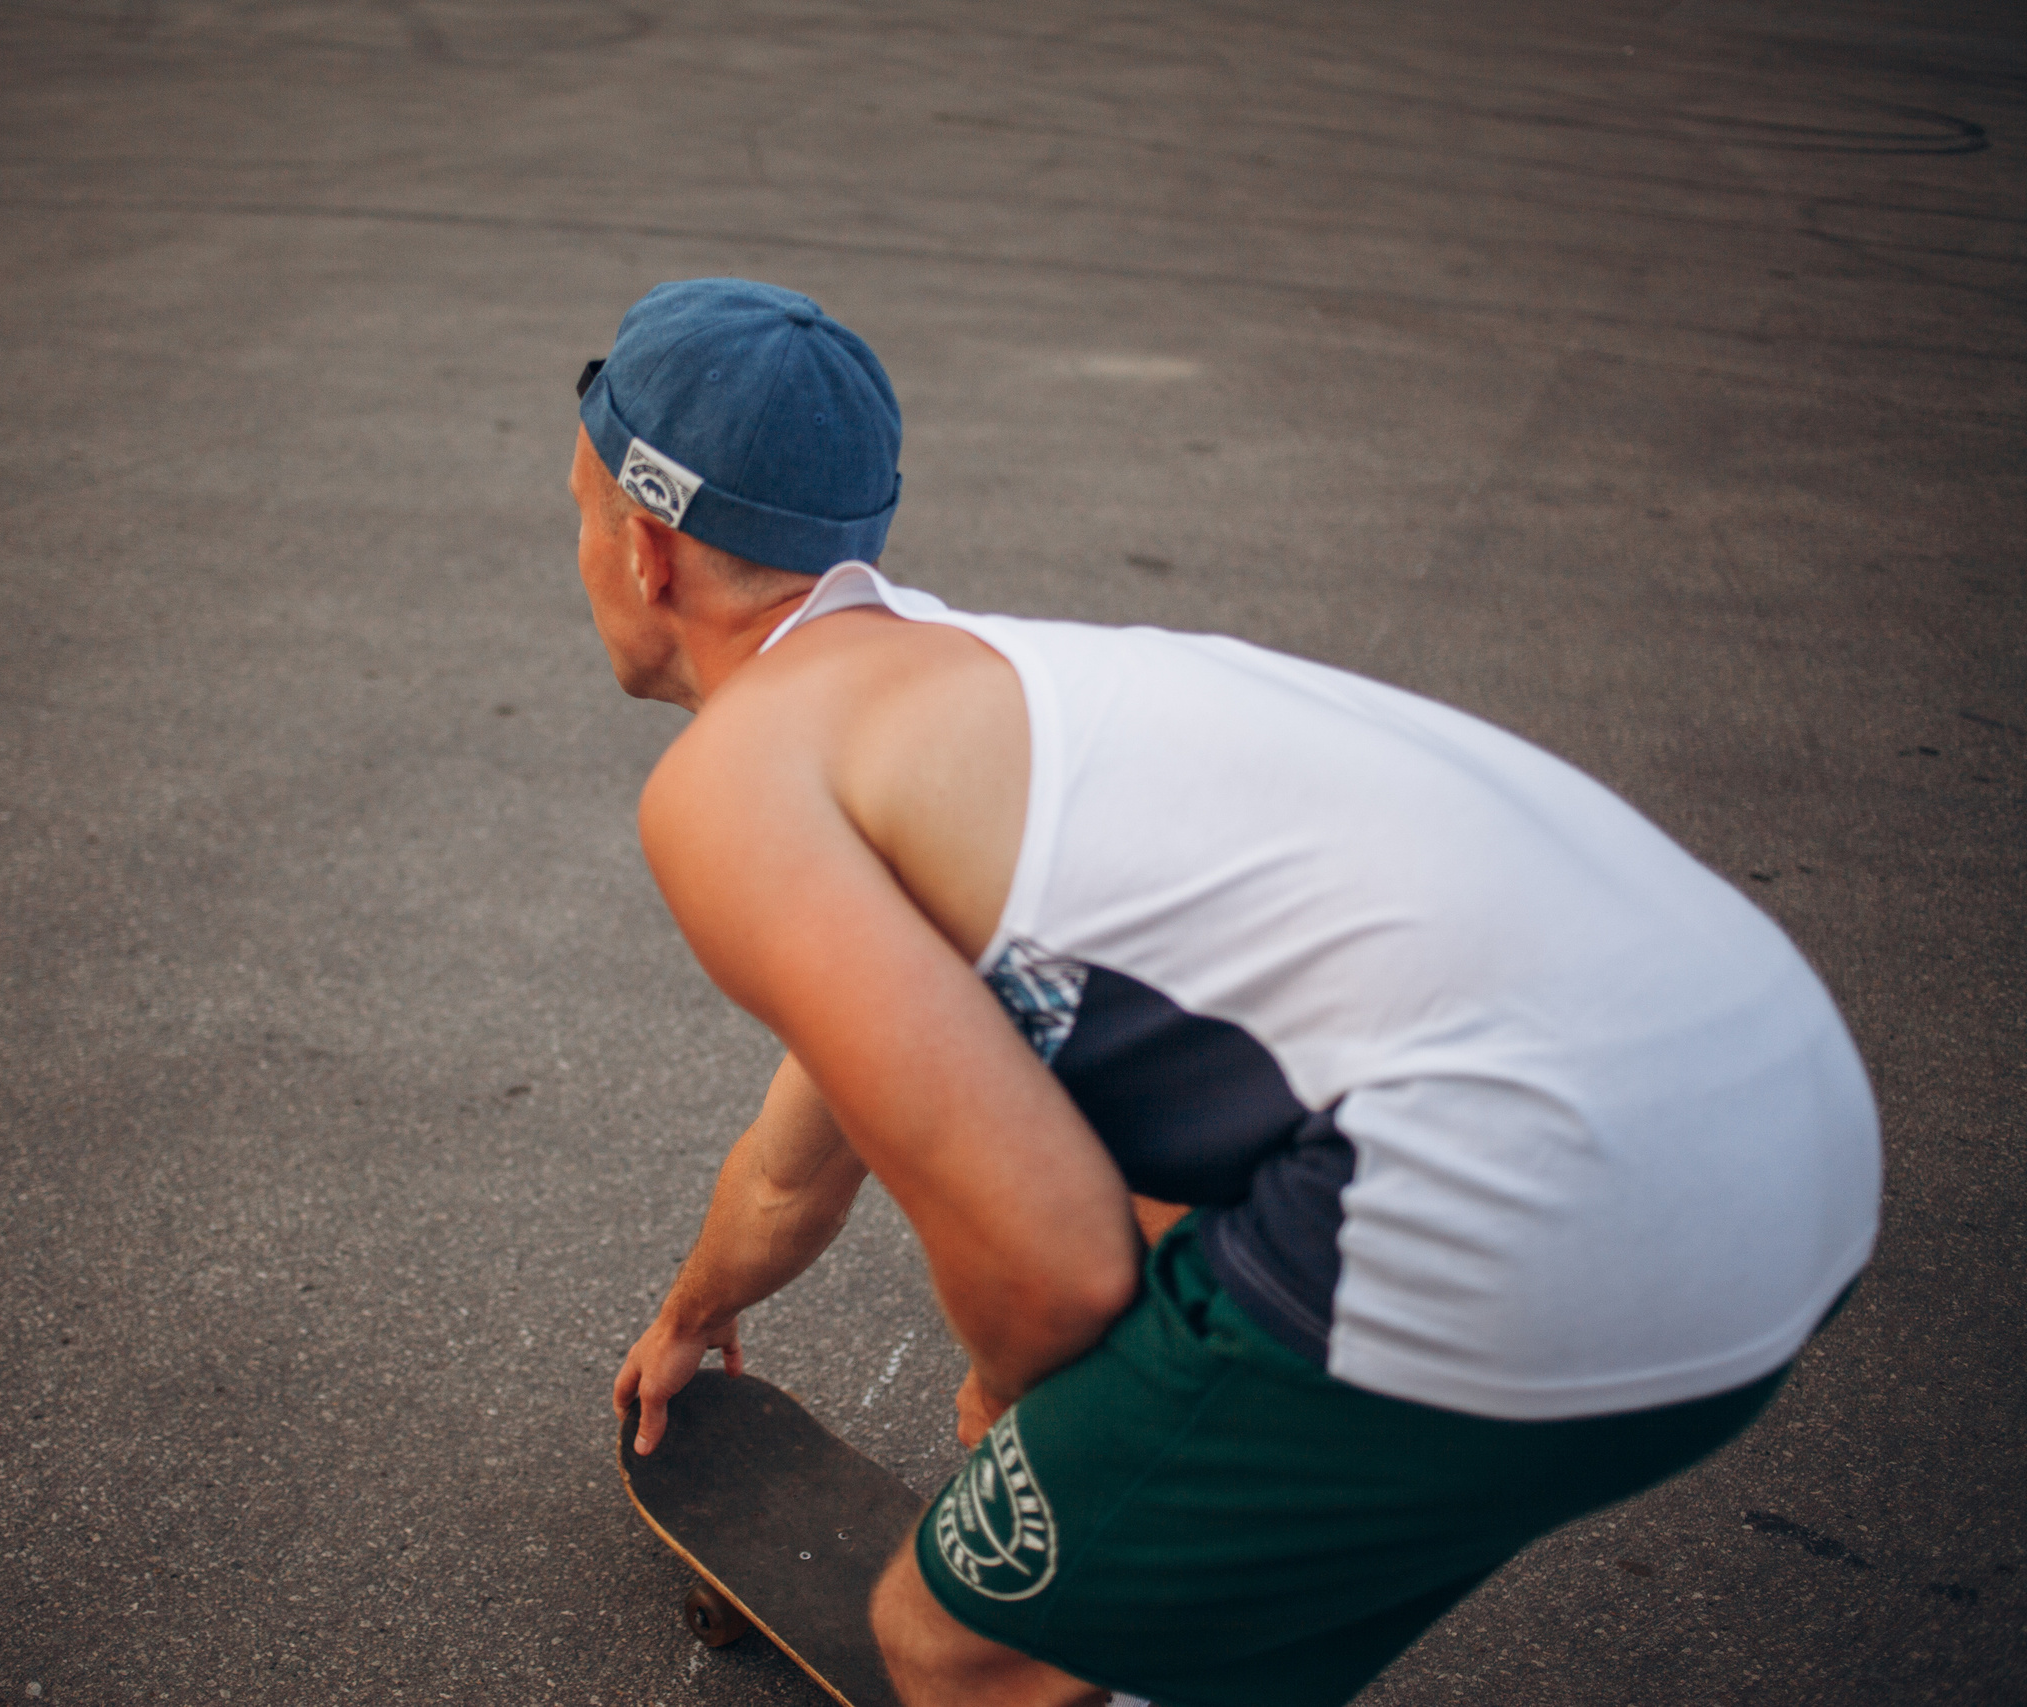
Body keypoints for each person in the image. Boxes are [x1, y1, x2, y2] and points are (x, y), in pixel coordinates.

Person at [578, 278, 1879, 1707]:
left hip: (1535, 1186)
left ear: (646, 547)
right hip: (1794, 1152)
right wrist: (698, 1311)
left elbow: (1052, 1274)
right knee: (1180, 1531)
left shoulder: (738, 784)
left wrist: (1031, 1428)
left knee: (960, 1644)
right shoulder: (981, 702)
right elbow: (803, 1156)